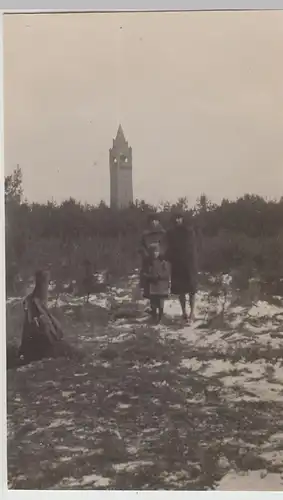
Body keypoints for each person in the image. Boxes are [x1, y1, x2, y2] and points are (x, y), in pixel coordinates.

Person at [18, 269, 79, 364]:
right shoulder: (32, 302)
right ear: (41, 283)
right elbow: (33, 327)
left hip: (45, 344)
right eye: (46, 282)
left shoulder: (39, 302)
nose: (46, 286)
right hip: (41, 347)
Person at [166, 211, 198, 322]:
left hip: (188, 264)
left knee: (191, 290)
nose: (177, 220)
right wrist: (168, 257)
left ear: (182, 219)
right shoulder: (170, 233)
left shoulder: (189, 231)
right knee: (181, 290)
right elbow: (169, 248)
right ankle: (184, 312)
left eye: (179, 218)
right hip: (177, 264)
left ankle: (192, 312)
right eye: (175, 218)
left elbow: (191, 248)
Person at [139, 213, 166, 307]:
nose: (154, 222)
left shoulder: (163, 233)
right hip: (148, 262)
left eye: (156, 220)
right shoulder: (145, 235)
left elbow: (166, 246)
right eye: (152, 221)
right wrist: (146, 255)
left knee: (160, 285)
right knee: (149, 286)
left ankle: (160, 308)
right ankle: (153, 307)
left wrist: (161, 255)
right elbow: (141, 247)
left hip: (160, 261)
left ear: (159, 222)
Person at [143, 243, 170, 324]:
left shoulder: (163, 262)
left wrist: (159, 276)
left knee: (160, 302)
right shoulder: (148, 262)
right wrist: (148, 277)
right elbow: (144, 273)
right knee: (153, 302)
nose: (155, 253)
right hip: (153, 286)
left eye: (156, 251)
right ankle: (154, 316)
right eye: (153, 252)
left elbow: (167, 274)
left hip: (161, 286)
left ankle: (160, 317)